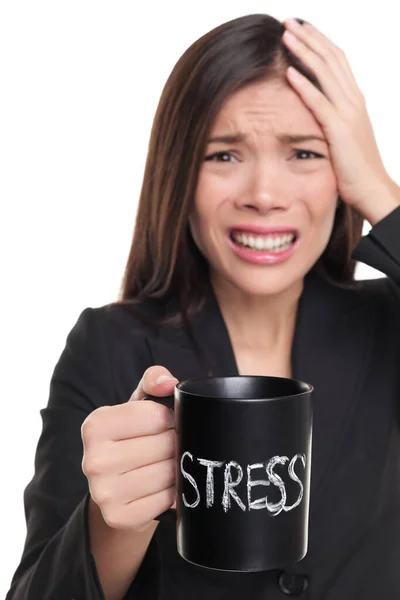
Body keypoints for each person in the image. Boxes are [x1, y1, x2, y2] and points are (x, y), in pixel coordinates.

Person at [6, 12, 400, 600]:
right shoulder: (108, 346)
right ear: (179, 174)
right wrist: (111, 526)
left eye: (305, 154)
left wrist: (379, 188)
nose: (264, 196)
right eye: (223, 156)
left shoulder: (388, 320)